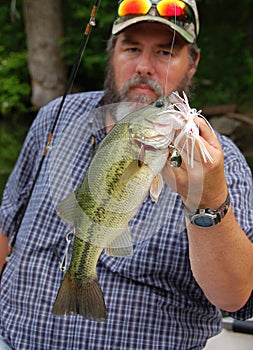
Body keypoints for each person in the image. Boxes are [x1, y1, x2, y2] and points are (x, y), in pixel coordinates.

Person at [0, 0, 253, 349]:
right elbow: (6, 228)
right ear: (111, 53)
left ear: (192, 65)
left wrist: (208, 199)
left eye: (165, 52)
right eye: (132, 48)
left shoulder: (220, 162)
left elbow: (237, 298)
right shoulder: (54, 120)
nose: (144, 66)